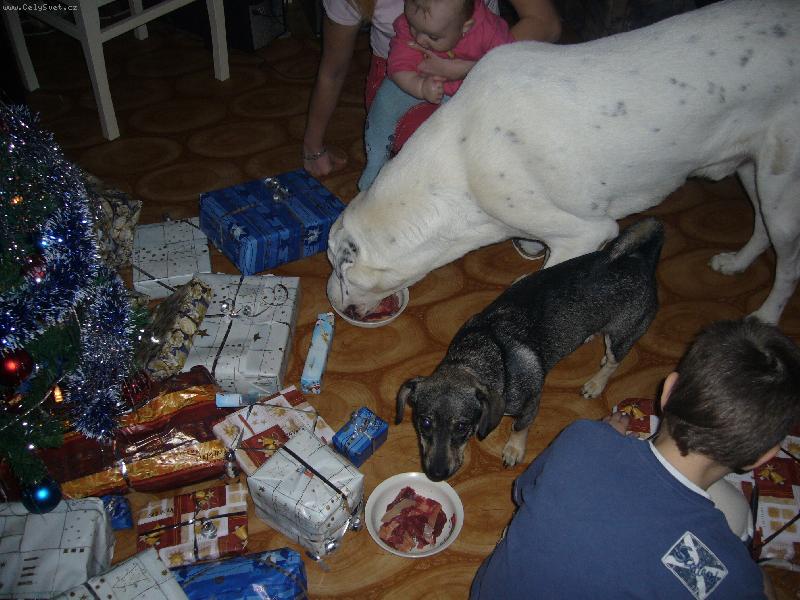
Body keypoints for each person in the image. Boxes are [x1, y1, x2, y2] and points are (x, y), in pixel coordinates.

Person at [470, 318, 800, 599]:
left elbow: (523, 491)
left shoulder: (583, 438)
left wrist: (599, 439)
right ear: (761, 458)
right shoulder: (725, 571)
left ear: (668, 391)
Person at [301, 0, 561, 178]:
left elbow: (546, 24)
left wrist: (472, 67)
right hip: (404, 78)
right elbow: (332, 70)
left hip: (491, 61)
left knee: (533, 138)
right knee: (439, 160)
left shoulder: (485, 35)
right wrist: (313, 147)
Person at [357, 0, 516, 190]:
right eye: (415, 28)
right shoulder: (410, 24)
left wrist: (468, 71)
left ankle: (480, 174)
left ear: (465, 27)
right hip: (417, 78)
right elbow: (397, 68)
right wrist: (421, 86)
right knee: (383, 104)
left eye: (433, 36)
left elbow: (506, 60)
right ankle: (375, 163)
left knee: (478, 130)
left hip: (468, 86)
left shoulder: (489, 29)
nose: (420, 39)